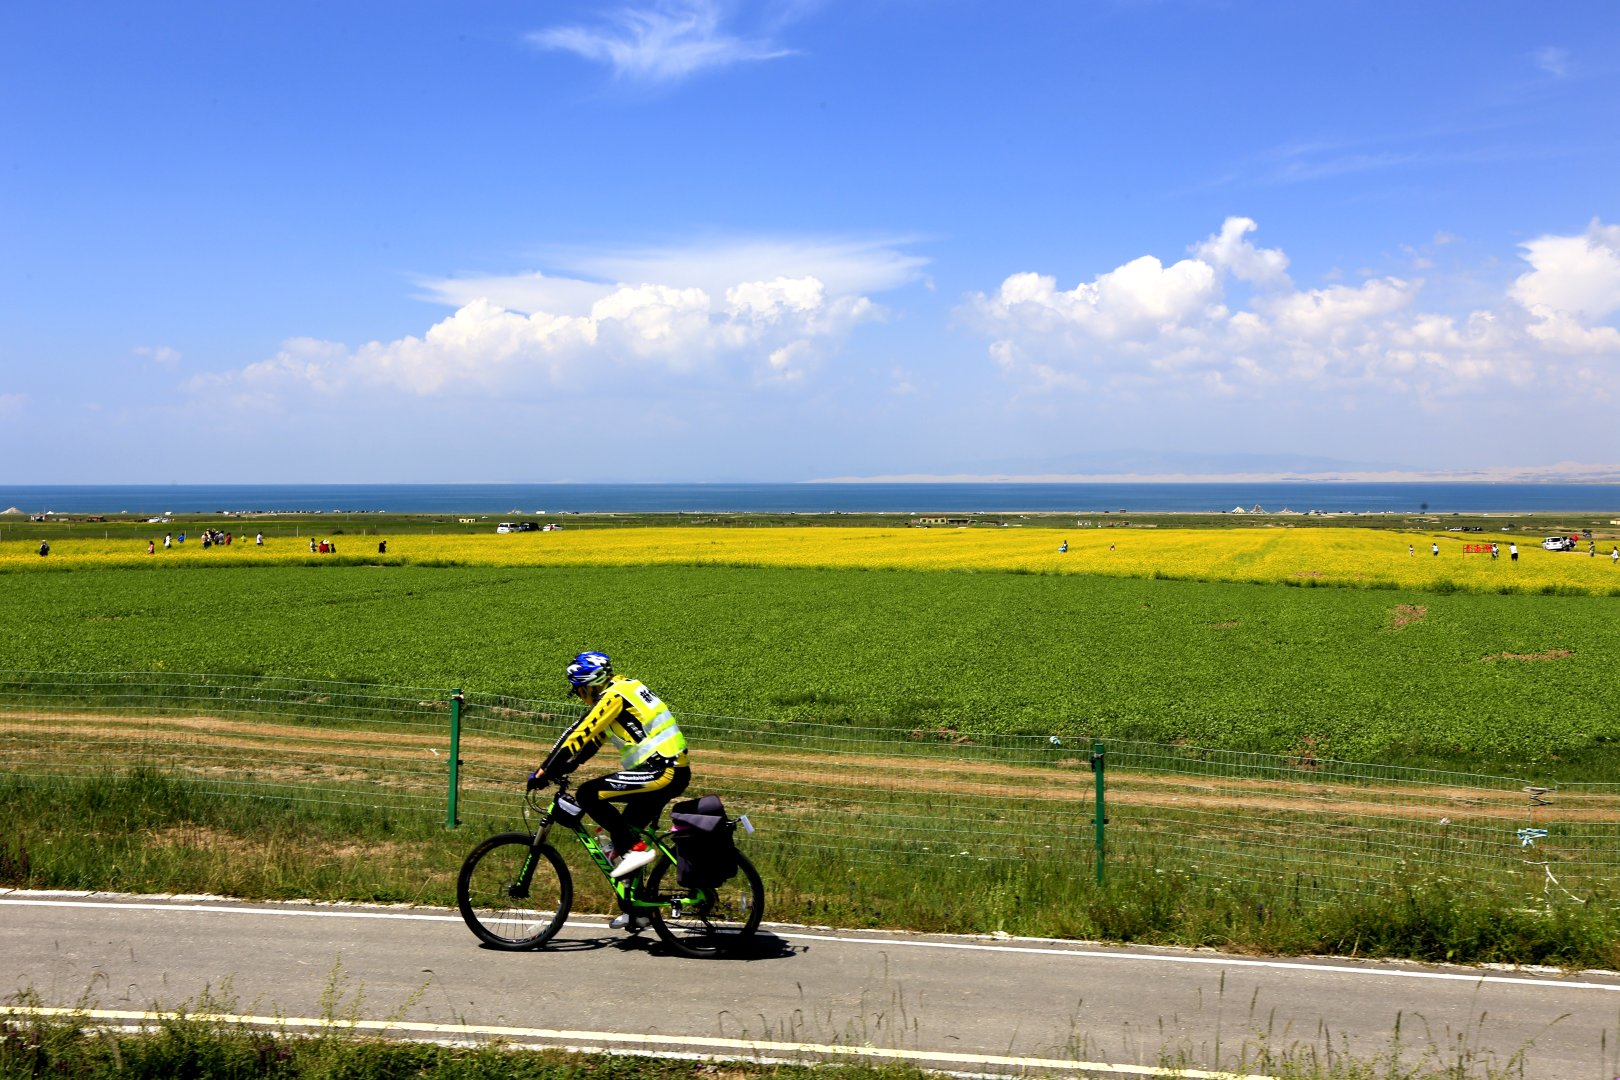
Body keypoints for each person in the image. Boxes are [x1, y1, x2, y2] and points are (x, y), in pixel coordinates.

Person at [528, 651, 690, 929]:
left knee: (588, 795)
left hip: (663, 770)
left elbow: (581, 733)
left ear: (588, 685)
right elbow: (592, 743)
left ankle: (637, 850)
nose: (580, 697)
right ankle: (637, 911)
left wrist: (545, 771)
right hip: (666, 769)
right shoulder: (624, 689)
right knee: (624, 831)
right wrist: (567, 767)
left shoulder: (613, 697)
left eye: (578, 691)